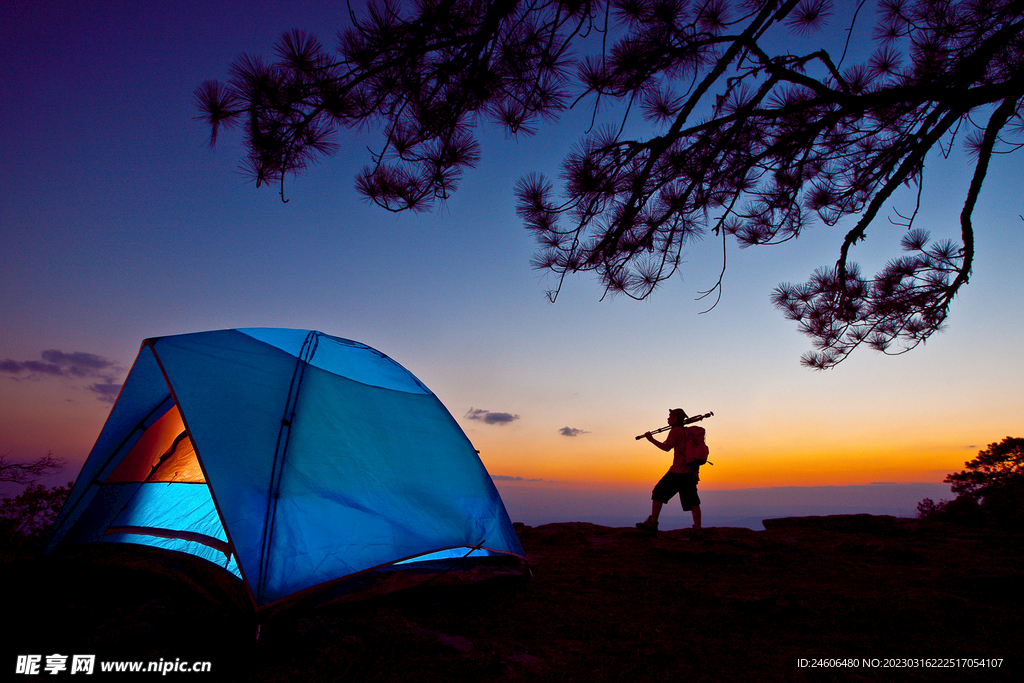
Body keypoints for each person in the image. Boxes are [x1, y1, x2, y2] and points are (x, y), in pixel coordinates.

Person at [636, 408, 705, 538]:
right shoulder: (687, 431)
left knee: (658, 493)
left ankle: (653, 522)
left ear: (676, 418)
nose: (668, 419)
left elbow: (666, 448)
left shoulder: (675, 431)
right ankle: (698, 529)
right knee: (693, 501)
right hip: (689, 473)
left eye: (670, 416)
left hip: (677, 472)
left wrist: (651, 439)